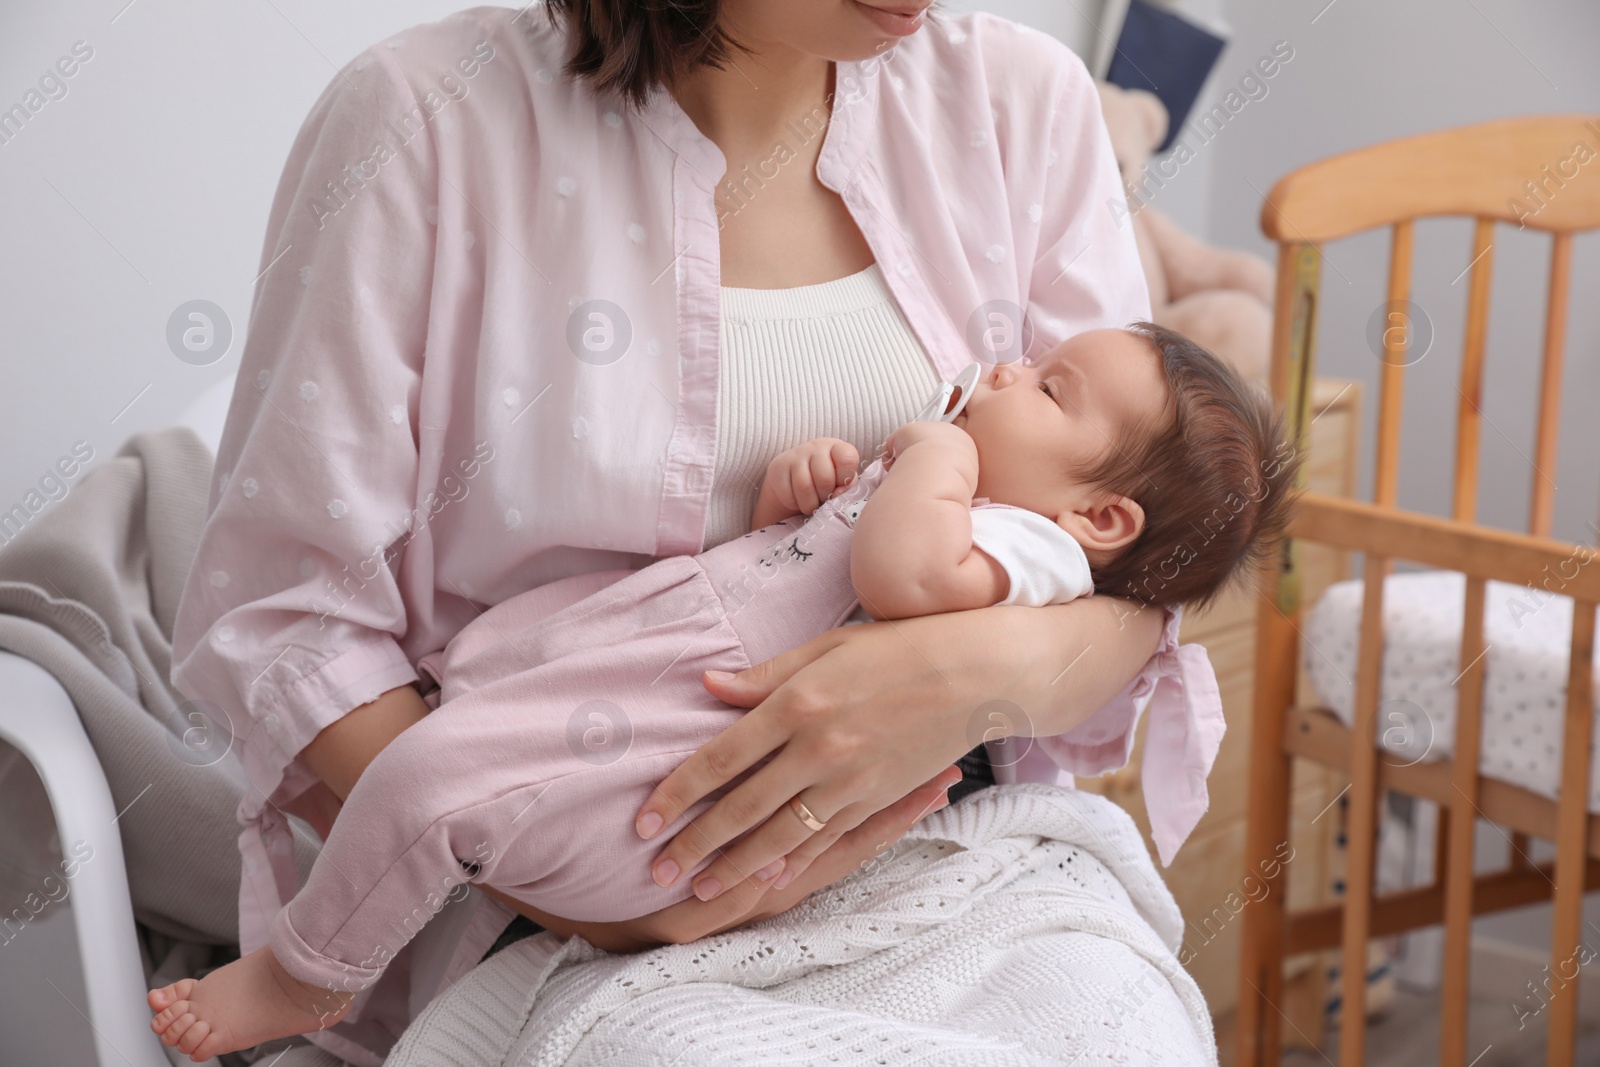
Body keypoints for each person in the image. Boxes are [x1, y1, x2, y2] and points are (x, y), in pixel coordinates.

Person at [166, 4, 1195, 1064]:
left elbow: (1143, 563)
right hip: (541, 893)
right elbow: (287, 614)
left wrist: (958, 675)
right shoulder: (423, 122)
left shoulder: (1018, 102)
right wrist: (595, 896)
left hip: (953, 850)